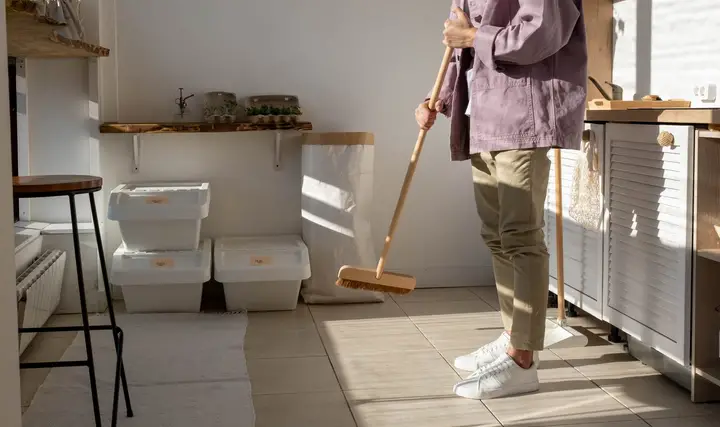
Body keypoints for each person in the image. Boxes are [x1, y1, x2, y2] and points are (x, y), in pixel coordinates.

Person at [416, 0, 587, 400]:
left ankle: (522, 360)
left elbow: (543, 31)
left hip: (522, 117)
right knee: (497, 237)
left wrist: (474, 35)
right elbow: (459, 52)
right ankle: (513, 334)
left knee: (521, 237)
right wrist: (437, 97)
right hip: (484, 118)